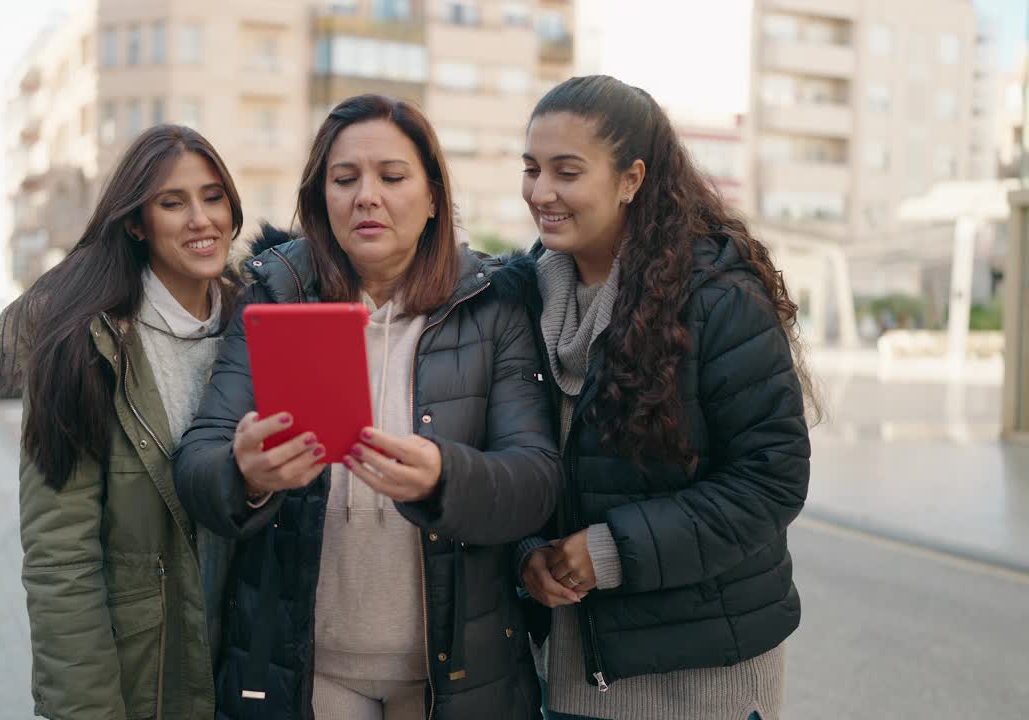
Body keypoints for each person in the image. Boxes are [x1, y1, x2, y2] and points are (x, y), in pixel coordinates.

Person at [173, 94, 560, 720]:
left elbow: (536, 477)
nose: (366, 196)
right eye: (345, 178)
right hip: (307, 668)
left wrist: (444, 477)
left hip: (456, 673)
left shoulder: (493, 306)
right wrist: (241, 473)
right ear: (321, 198)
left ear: (433, 196)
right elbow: (197, 462)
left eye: (392, 176)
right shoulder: (275, 296)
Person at [511, 75, 817, 720]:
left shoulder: (717, 299)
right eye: (532, 168)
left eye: (568, 172)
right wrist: (526, 555)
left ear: (631, 179)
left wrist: (608, 552)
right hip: (567, 677)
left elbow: (771, 481)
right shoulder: (522, 298)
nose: (542, 193)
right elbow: (520, 460)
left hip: (703, 678)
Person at [0, 124, 245, 720]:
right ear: (135, 223)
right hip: (143, 675)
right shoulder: (84, 346)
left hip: (245, 665)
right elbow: (59, 557)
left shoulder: (257, 324)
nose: (201, 219)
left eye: (213, 196)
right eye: (172, 203)